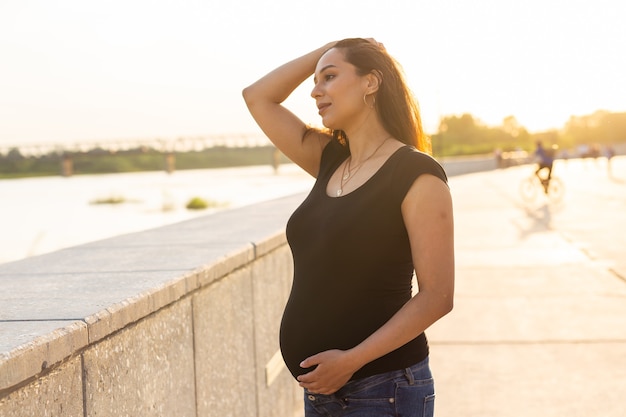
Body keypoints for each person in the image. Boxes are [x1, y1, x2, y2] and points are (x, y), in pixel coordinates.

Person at [242, 38, 454, 417]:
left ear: (371, 83)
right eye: (316, 79)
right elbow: (257, 96)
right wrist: (331, 47)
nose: (314, 90)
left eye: (330, 77)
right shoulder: (330, 159)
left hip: (381, 387)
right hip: (322, 392)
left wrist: (352, 360)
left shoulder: (416, 174)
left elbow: (437, 296)